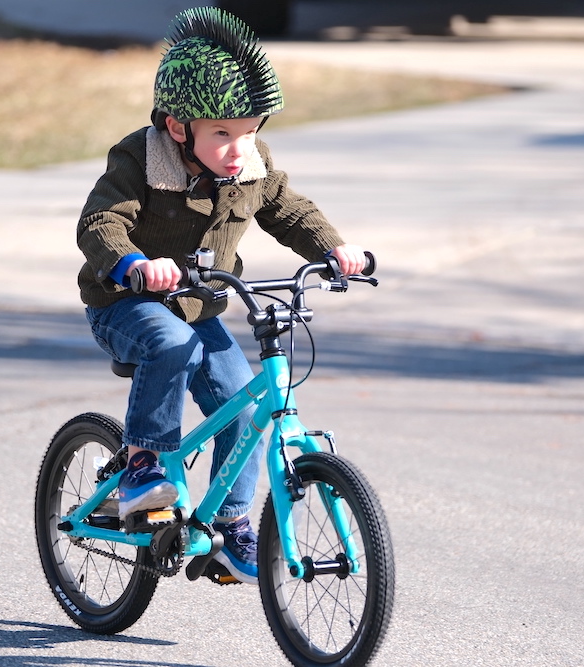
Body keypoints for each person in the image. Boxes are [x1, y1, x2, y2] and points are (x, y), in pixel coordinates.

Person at [75, 6, 366, 585]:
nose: (239, 148)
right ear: (177, 126)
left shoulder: (251, 165)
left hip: (199, 305)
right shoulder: (138, 158)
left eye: (251, 132)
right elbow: (99, 222)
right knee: (171, 343)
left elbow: (288, 210)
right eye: (223, 134)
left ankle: (231, 528)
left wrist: (333, 250)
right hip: (125, 305)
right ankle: (143, 464)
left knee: (247, 402)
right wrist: (134, 262)